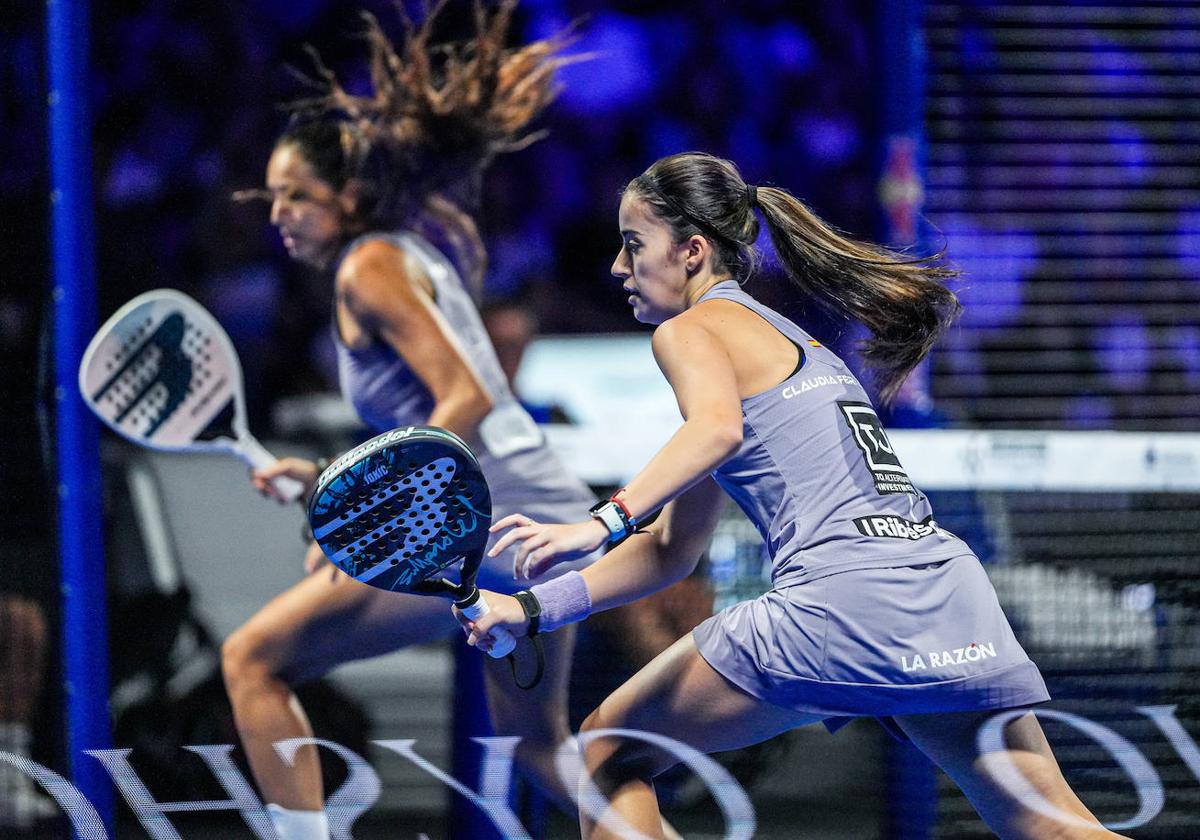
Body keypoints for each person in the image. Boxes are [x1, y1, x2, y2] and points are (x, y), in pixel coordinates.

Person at [464, 152, 1128, 839]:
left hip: (840, 600)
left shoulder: (687, 332)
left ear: (692, 252)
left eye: (634, 244)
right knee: (1054, 827)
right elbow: (669, 553)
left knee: (608, 749)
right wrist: (531, 608)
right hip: (944, 594)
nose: (617, 267)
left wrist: (600, 522)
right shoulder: (790, 339)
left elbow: (714, 432)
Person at [219, 6, 598, 839]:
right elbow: (438, 419)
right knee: (541, 749)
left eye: (298, 195)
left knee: (251, 659)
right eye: (273, 194)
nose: (279, 212)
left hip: (492, 527)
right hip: (544, 519)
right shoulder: (403, 251)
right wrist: (324, 483)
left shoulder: (368, 266)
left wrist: (367, 516)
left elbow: (464, 399)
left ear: (348, 196)